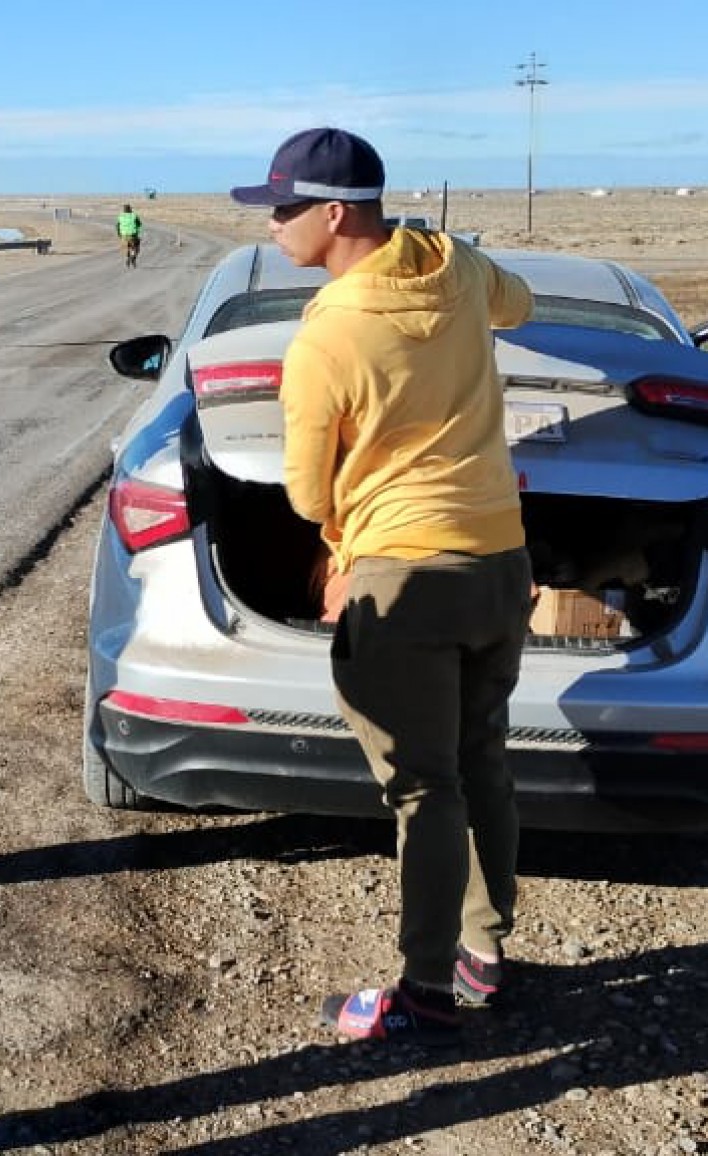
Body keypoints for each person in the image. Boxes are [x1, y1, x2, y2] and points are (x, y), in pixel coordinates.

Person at [232, 127, 535, 1043]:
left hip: (405, 578)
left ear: (334, 214)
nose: (273, 224)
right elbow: (516, 307)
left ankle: (426, 991)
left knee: (423, 788)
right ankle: (485, 953)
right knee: (483, 759)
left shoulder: (326, 337)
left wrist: (342, 547)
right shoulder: (459, 263)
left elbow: (307, 489)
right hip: (500, 562)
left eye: (284, 208)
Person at [117, 202, 143, 268]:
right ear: (130, 209)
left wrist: (119, 234)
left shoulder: (120, 216)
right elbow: (139, 224)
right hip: (133, 235)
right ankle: (133, 258)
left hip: (124, 235)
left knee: (127, 247)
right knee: (136, 248)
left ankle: (128, 257)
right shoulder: (134, 215)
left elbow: (117, 225)